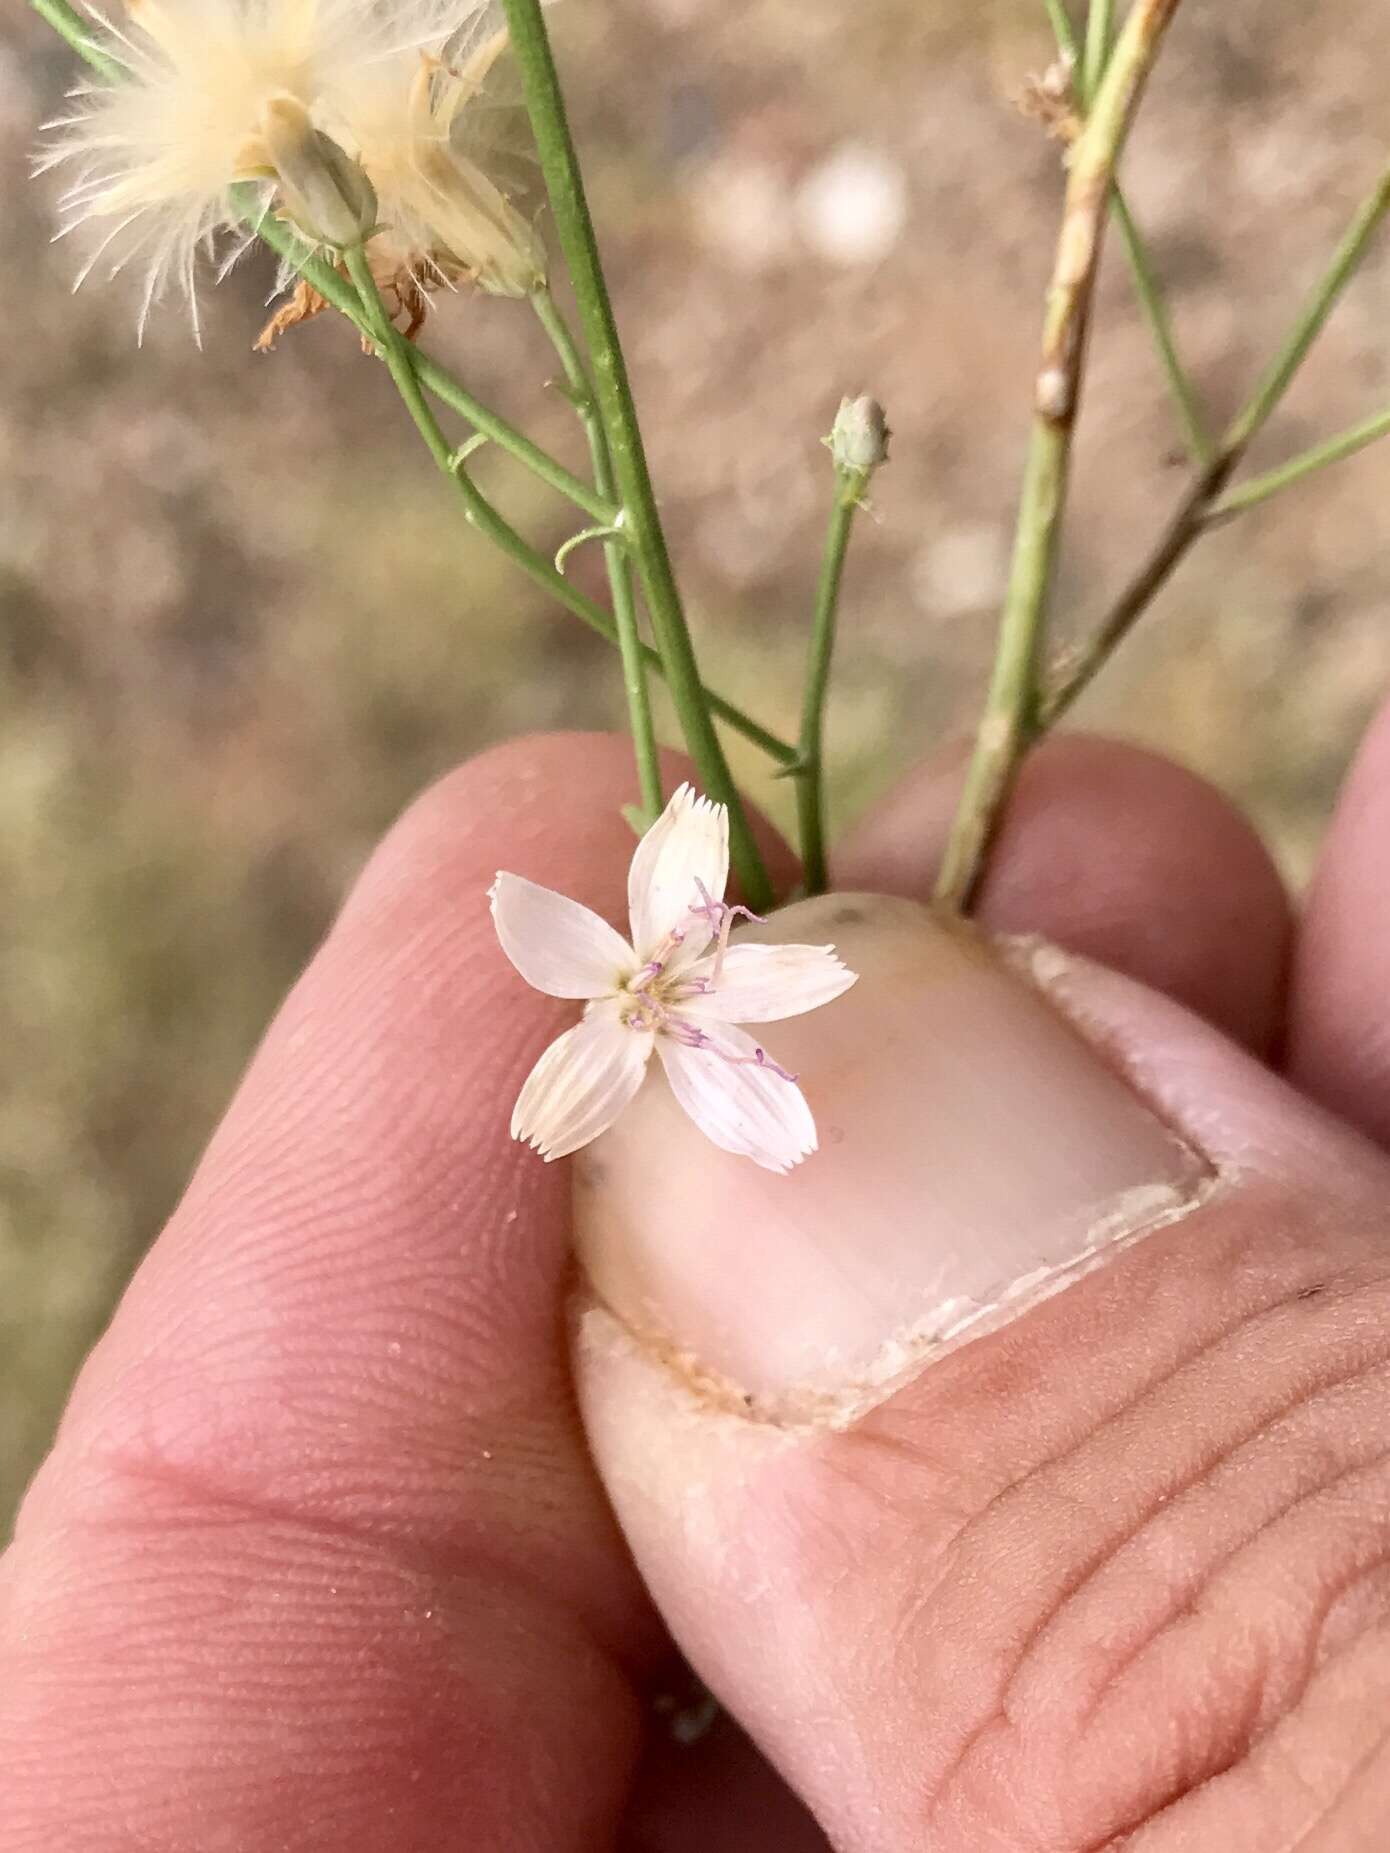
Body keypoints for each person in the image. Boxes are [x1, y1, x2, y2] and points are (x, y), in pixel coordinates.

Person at [4, 705, 1390, 1852]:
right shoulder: (598, 1035)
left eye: (660, 979)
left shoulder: (666, 993)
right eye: (643, 989)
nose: (651, 990)